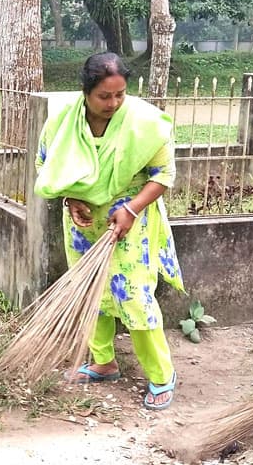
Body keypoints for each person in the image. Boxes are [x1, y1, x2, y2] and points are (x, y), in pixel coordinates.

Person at [34, 52, 184, 410]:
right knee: (92, 291)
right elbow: (47, 163)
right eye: (105, 96)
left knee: (133, 295)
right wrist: (71, 199)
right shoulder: (62, 121)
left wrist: (131, 209)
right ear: (85, 92)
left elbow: (164, 175)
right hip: (84, 220)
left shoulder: (145, 122)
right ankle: (104, 362)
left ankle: (162, 375)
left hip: (132, 217)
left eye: (120, 94)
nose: (114, 103)